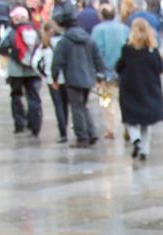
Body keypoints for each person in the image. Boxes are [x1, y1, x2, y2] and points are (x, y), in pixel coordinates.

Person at [51, 1, 106, 147]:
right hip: (88, 78)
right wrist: (101, 74)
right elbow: (97, 57)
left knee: (77, 107)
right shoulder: (88, 38)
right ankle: (92, 133)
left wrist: (55, 78)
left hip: (73, 78)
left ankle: (82, 137)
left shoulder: (64, 41)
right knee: (83, 106)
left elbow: (57, 62)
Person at [117, 17, 163, 159]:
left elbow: (119, 67)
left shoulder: (127, 49)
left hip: (130, 88)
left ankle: (135, 139)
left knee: (130, 118)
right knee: (146, 121)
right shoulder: (153, 50)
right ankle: (145, 150)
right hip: (149, 88)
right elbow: (160, 68)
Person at [0, 6, 42, 136]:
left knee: (16, 96)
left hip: (16, 71)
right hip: (33, 70)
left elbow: (1, 48)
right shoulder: (35, 30)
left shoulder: (11, 31)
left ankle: (19, 124)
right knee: (33, 98)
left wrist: (12, 53)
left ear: (16, 19)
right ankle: (35, 126)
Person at [92, 2, 129, 139]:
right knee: (124, 100)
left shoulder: (97, 30)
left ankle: (110, 129)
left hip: (105, 73)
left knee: (107, 102)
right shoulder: (124, 28)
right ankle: (127, 126)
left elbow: (96, 52)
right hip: (124, 71)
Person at [39, 21, 71, 143]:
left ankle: (62, 132)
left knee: (58, 105)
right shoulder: (64, 42)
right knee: (65, 105)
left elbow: (36, 62)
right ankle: (66, 126)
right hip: (66, 78)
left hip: (52, 80)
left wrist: (45, 75)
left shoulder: (44, 45)